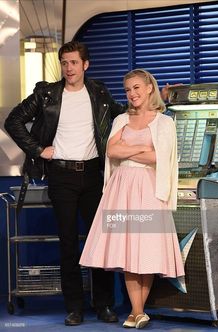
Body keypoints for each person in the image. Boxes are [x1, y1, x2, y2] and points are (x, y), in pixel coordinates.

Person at [4, 41, 126, 326]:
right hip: (62, 177)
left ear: (86, 65)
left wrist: (159, 101)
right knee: (69, 244)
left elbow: (123, 113)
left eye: (73, 62)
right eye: (64, 62)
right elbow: (13, 121)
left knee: (100, 241)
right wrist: (37, 149)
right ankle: (74, 308)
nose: (68, 68)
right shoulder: (46, 94)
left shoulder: (99, 92)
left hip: (94, 175)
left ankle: (104, 304)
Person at [79, 69, 185, 329]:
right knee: (128, 251)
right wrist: (141, 148)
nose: (132, 94)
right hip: (121, 190)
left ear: (149, 87)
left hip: (149, 190)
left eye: (136, 88)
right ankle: (138, 312)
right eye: (127, 90)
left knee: (145, 249)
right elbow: (111, 151)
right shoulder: (121, 119)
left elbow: (159, 158)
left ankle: (136, 312)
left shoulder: (164, 122)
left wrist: (131, 151)